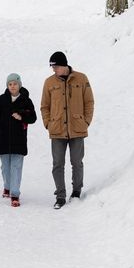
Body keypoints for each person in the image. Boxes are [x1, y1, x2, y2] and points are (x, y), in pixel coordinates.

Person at [40, 51, 94, 209]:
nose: (53, 69)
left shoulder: (81, 78)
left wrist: (85, 122)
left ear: (63, 65)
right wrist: (48, 124)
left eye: (55, 66)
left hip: (77, 128)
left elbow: (89, 102)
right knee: (58, 164)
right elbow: (44, 106)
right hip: (57, 130)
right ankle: (60, 196)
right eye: (52, 67)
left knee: (77, 162)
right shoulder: (49, 82)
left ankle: (76, 192)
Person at [0, 74, 38, 208]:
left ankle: (15, 194)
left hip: (19, 139)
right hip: (4, 138)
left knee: (16, 166)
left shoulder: (26, 100)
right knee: (5, 166)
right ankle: (7, 187)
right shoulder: (2, 99)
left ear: (19, 85)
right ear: (7, 86)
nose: (12, 86)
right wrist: (1, 125)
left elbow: (33, 118)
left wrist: (22, 117)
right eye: (10, 84)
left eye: (15, 84)